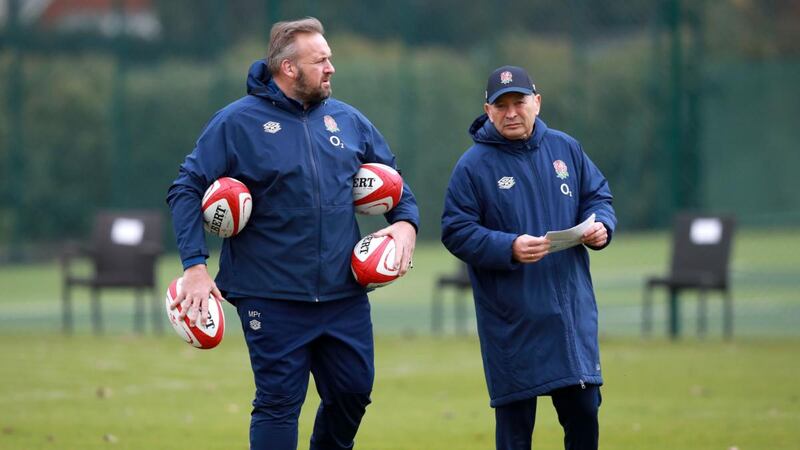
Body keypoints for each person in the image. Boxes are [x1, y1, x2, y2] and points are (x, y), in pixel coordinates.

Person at [166, 17, 419, 450]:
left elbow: (394, 181)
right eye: (320, 60)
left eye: (330, 59)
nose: (331, 68)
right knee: (279, 402)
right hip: (270, 294)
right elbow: (185, 188)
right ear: (288, 68)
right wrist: (194, 266)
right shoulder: (236, 123)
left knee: (353, 392)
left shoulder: (348, 120)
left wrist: (405, 224)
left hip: (343, 293)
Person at [441, 65, 617, 450]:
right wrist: (509, 247)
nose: (511, 113)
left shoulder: (565, 148)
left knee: (585, 413)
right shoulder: (472, 166)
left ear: (536, 102)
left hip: (569, 315)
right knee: (516, 432)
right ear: (487, 111)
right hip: (512, 321)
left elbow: (598, 197)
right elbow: (455, 231)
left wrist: (601, 226)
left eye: (518, 102)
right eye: (500, 105)